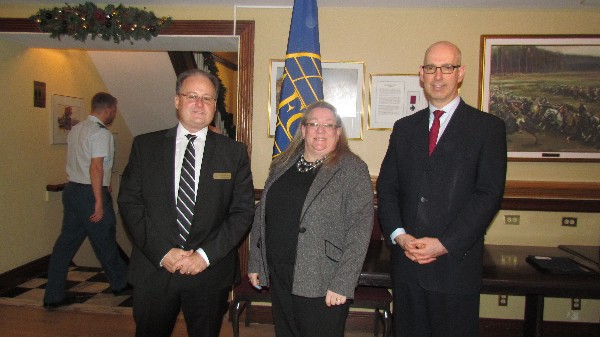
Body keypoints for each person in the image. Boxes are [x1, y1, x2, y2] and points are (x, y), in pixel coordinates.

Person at [376, 41, 507, 337]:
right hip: (407, 265)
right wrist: (399, 236)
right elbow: (387, 188)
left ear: (460, 73)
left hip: (454, 267)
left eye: (447, 67)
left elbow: (488, 195)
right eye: (431, 68)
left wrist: (444, 243)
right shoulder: (404, 128)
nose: (438, 75)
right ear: (421, 74)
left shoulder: (487, 128)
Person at [117, 69, 254, 337]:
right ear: (176, 100)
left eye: (208, 98)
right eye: (192, 96)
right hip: (154, 270)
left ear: (215, 106)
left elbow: (242, 212)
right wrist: (162, 252)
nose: (200, 104)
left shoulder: (233, 153)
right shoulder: (145, 147)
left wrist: (204, 256)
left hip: (209, 273)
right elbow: (130, 203)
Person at [248, 101, 374, 337]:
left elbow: (360, 232)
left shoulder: (352, 169)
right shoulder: (282, 164)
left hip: (323, 278)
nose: (320, 130)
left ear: (338, 132)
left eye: (329, 125)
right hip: (281, 273)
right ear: (303, 130)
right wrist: (257, 262)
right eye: (314, 123)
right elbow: (262, 215)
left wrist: (342, 283)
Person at [44, 92, 129, 309]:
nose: (114, 115)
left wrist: (104, 182)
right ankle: (120, 284)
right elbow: (96, 166)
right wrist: (99, 201)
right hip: (89, 195)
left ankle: (53, 296)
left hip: (72, 190)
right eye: (114, 111)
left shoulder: (76, 129)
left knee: (65, 245)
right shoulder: (101, 134)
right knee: (106, 241)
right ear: (108, 109)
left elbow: (84, 163)